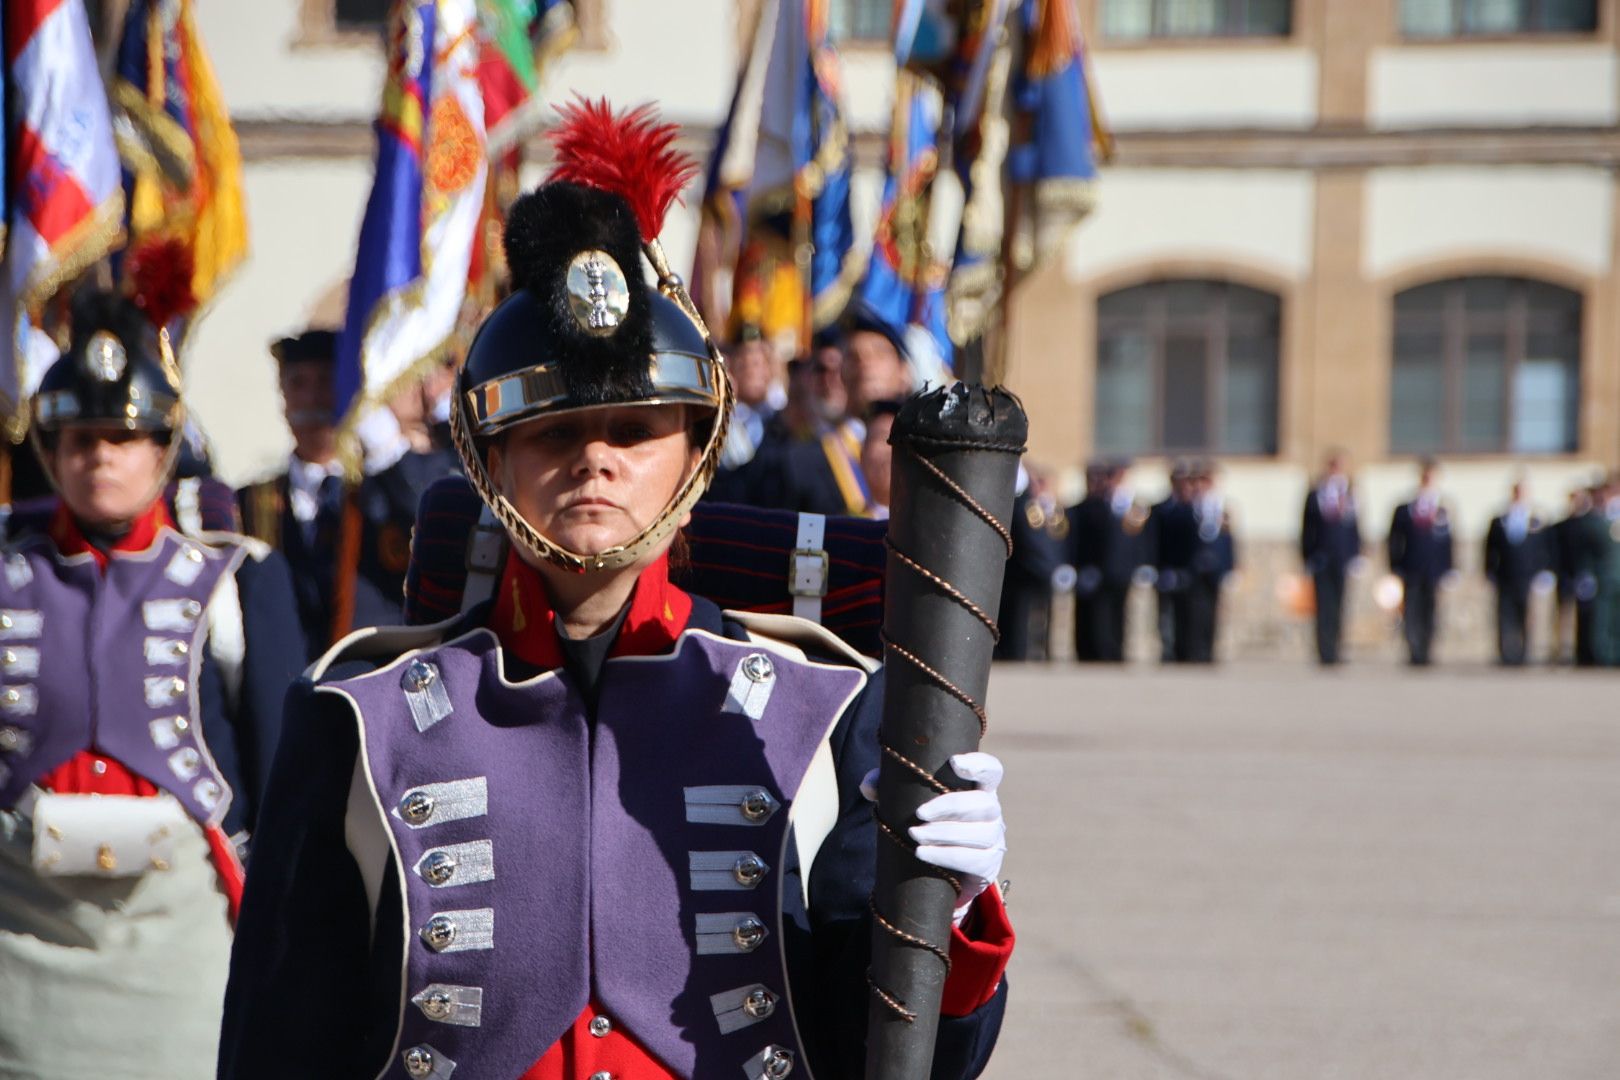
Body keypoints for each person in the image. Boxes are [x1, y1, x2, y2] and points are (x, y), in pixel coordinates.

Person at [219, 103, 1011, 1080]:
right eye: (554, 435)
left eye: (634, 433)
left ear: (697, 457)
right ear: (489, 458)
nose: (595, 461)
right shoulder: (353, 714)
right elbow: (282, 1035)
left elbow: (894, 1055)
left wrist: (951, 910)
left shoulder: (828, 707)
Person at [0, 291, 306, 1078]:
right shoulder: (7, 572)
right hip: (22, 932)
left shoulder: (236, 577)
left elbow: (280, 775)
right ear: (50, 448)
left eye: (123, 437)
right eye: (79, 439)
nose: (100, 457)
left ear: (164, 447)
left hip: (183, 932)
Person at [238, 334, 459, 660]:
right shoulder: (250, 502)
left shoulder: (388, 484)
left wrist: (387, 445)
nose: (313, 399)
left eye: (326, 382)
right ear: (283, 396)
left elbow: (438, 529)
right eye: (298, 383)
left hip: (374, 678)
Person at [1067, 459, 1144, 663]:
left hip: (1121, 569)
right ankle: (1093, 652)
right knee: (1095, 614)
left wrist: (1143, 564)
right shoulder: (1091, 506)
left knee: (1118, 613)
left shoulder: (1130, 504)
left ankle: (1115, 652)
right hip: (1095, 569)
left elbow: (1143, 538)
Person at [996, 464, 1068, 662]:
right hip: (1027, 571)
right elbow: (1028, 539)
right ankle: (1017, 654)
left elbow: (1059, 538)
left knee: (1048, 617)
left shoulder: (1053, 508)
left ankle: (1045, 652)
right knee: (1020, 618)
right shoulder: (1027, 506)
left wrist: (1058, 565)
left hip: (1047, 571)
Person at [1387, 458, 1455, 666]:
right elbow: (1394, 539)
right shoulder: (1405, 508)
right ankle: (1413, 650)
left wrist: (1449, 568)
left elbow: (1448, 541)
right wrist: (1394, 565)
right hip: (1411, 567)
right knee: (1412, 609)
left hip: (1434, 568)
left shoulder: (1443, 508)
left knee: (1431, 610)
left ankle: (1427, 651)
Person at [1300, 450, 1362, 665]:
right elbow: (1307, 528)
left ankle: (1337, 649)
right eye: (1332, 465)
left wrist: (1356, 555)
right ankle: (1323, 650)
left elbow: (1355, 527)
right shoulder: (1316, 494)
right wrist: (1306, 556)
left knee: (1339, 605)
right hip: (1321, 557)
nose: (1335, 470)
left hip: (1342, 557)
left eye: (1339, 465)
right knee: (1322, 604)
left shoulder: (1350, 494)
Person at [706, 325, 779, 503]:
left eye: (758, 363)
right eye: (743, 364)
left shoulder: (782, 418)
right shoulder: (720, 416)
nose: (752, 372)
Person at [1483, 479, 1551, 666]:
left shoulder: (1536, 520)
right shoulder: (1499, 520)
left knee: (1526, 616)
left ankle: (1524, 653)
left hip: (1527, 576)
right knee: (1505, 615)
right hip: (1505, 575)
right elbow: (1490, 549)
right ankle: (1506, 653)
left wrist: (1544, 573)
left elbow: (1544, 548)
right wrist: (1489, 571)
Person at [1183, 460, 1236, 663]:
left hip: (1216, 565)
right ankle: (1194, 651)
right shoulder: (1190, 505)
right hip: (1194, 565)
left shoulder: (1221, 506)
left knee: (1212, 610)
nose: (1203, 485)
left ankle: (1209, 651)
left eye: (1207, 480)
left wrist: (1230, 566)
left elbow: (1229, 539)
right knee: (1194, 609)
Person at [1148, 461, 1196, 662]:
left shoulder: (1198, 508)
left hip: (1191, 571)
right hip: (1166, 568)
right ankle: (1168, 651)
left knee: (1190, 614)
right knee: (1166, 615)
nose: (1183, 485)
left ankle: (1189, 651)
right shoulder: (1161, 509)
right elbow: (1152, 540)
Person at [860, 399, 901, 519]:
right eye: (881, 439)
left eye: (897, 442)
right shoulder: (845, 527)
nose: (889, 451)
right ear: (862, 454)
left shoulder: (924, 526)